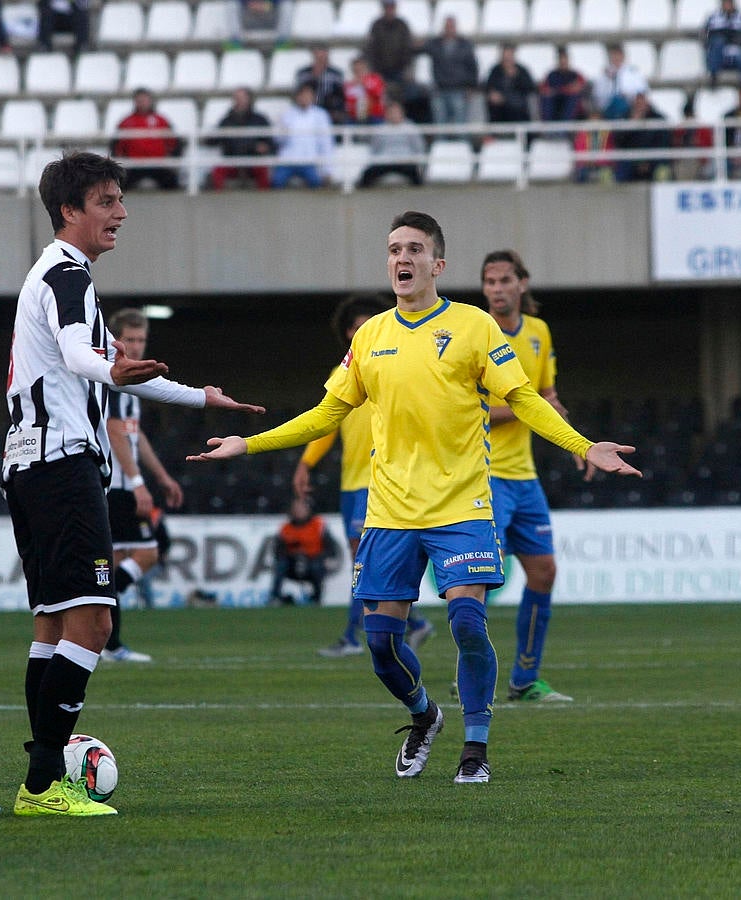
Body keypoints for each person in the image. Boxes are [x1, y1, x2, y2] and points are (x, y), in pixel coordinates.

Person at [188, 211, 640, 785]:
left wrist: (583, 444)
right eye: (394, 249)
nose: (402, 258)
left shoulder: (474, 326)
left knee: (468, 623)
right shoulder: (370, 336)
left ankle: (476, 748)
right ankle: (424, 715)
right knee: (380, 644)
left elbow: (523, 399)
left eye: (414, 250)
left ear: (437, 264)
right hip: (390, 511)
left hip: (462, 504)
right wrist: (248, 444)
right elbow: (328, 413)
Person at [5, 151, 263, 816]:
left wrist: (198, 395)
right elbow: (78, 355)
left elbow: (108, 365)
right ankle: (42, 786)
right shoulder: (67, 273)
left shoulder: (52, 274)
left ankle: (40, 774)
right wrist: (105, 368)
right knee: (93, 622)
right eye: (108, 201)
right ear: (70, 210)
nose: (121, 212)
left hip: (29, 464)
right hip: (60, 465)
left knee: (53, 623)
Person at [295, 295, 432, 658]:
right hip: (350, 482)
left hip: (379, 480)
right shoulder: (343, 372)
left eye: (366, 323)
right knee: (366, 564)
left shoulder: (396, 365)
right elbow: (326, 424)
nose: (359, 330)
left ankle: (352, 637)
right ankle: (414, 624)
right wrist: (306, 462)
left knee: (365, 562)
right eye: (353, 326)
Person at [467, 249, 576, 704]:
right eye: (489, 281)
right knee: (477, 580)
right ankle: (472, 675)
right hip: (484, 473)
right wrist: (527, 410)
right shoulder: (474, 334)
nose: (497, 288)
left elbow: (547, 393)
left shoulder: (539, 333)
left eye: (504, 280)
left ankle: (524, 678)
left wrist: (571, 437)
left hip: (524, 477)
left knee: (544, 571)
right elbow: (469, 410)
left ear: (522, 283)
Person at [103, 307, 187, 662]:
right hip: (115, 485)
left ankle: (112, 644)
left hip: (123, 482)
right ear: (115, 340)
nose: (136, 347)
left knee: (117, 560)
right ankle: (99, 600)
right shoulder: (113, 377)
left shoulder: (134, 381)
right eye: (130, 339)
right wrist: (138, 483)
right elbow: (114, 429)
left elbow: (136, 438)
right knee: (147, 553)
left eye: (141, 340)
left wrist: (162, 476)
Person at [268, 495, 340, 605]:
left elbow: (331, 547)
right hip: (292, 563)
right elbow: (278, 550)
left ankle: (317, 598)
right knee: (280, 566)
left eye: (301, 508)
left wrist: (322, 557)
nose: (299, 511)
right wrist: (291, 555)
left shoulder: (318, 525)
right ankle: (275, 597)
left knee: (317, 567)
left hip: (313, 561)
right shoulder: (286, 528)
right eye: (296, 508)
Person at [112, 89, 182, 191]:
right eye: (139, 100)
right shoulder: (126, 122)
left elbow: (174, 142)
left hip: (158, 165)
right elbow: (116, 146)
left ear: (150, 101)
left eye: (144, 100)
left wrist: (172, 160)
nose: (142, 103)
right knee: (120, 185)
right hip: (134, 166)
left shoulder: (161, 120)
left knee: (172, 183)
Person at [207, 87, 274, 191]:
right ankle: (218, 203)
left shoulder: (260, 119)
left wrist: (264, 147)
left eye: (242, 97)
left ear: (249, 99)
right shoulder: (226, 121)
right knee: (217, 172)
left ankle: (264, 202)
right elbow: (213, 140)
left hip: (253, 160)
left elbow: (269, 142)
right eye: (237, 98)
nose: (239, 100)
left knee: (263, 172)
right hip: (232, 160)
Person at [271, 83, 334, 189]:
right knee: (276, 182)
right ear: (297, 97)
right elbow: (277, 140)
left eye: (308, 95)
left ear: (313, 97)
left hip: (309, 161)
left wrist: (327, 170)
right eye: (302, 95)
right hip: (288, 160)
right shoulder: (286, 114)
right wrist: (284, 132)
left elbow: (326, 143)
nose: (305, 98)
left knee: (316, 182)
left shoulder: (320, 115)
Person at [424, 15, 479, 126]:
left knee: (460, 124)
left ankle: (463, 143)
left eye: (451, 26)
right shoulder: (435, 44)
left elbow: (473, 67)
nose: (449, 29)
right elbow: (420, 49)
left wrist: (471, 86)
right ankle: (439, 144)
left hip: (459, 89)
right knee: (439, 124)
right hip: (439, 89)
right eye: (447, 27)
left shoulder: (465, 45)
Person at [359, 99, 425, 187]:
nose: (393, 115)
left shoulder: (411, 128)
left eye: (396, 112)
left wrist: (414, 160)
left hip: (405, 160)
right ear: (386, 114)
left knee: (415, 175)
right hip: (384, 160)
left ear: (402, 113)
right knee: (367, 174)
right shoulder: (380, 129)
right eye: (391, 112)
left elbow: (418, 147)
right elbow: (375, 148)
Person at [614, 92, 671, 182]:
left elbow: (663, 142)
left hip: (653, 160)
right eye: (637, 102)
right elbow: (619, 141)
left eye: (642, 102)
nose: (640, 105)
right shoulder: (625, 117)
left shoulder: (658, 119)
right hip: (631, 160)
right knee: (621, 170)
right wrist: (631, 125)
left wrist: (649, 161)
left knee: (662, 171)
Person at [702, 0, 741, 90]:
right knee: (718, 41)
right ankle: (713, 77)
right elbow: (705, 35)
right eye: (725, 3)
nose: (727, 6)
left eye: (729, 3)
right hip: (718, 55)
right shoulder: (713, 17)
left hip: (735, 53)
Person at [591, 43, 649, 119]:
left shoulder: (633, 72)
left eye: (618, 55)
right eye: (614, 55)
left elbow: (641, 92)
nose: (616, 58)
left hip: (629, 108)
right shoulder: (603, 75)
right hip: (607, 110)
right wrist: (608, 81)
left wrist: (626, 95)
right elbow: (598, 96)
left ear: (623, 56)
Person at [484, 43, 536, 125]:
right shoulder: (495, 70)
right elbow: (488, 87)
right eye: (505, 56)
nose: (507, 59)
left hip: (518, 108)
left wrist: (516, 76)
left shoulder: (521, 71)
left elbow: (530, 88)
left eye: (509, 56)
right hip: (499, 110)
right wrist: (493, 94)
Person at [295, 45, 347, 125]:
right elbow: (301, 91)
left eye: (323, 57)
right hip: (308, 110)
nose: (321, 60)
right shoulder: (304, 73)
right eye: (318, 57)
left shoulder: (335, 74)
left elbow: (340, 95)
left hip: (330, 112)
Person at [365, 0, 413, 85]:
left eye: (391, 7)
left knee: (398, 94)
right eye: (387, 7)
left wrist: (406, 66)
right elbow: (371, 47)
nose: (389, 10)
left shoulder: (402, 25)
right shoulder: (377, 25)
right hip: (380, 69)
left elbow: (407, 47)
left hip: (399, 70)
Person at [539, 46, 587, 124]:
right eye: (561, 59)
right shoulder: (551, 75)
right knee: (547, 99)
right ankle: (549, 128)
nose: (563, 61)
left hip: (571, 111)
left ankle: (565, 128)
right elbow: (544, 90)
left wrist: (559, 90)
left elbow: (579, 87)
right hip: (555, 106)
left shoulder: (576, 75)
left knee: (573, 97)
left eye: (565, 58)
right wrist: (564, 90)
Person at [225, 0, 293, 48]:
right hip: (248, 19)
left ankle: (282, 42)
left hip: (270, 19)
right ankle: (235, 42)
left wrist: (264, 6)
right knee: (231, 3)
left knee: (287, 3)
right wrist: (255, 5)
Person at [344, 57, 388, 125]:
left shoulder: (375, 79)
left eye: (360, 69)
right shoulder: (349, 84)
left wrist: (364, 83)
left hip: (374, 116)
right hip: (354, 117)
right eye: (356, 70)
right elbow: (348, 102)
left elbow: (378, 94)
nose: (358, 72)